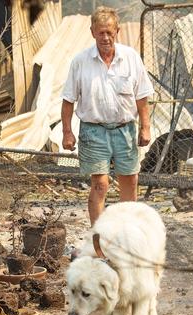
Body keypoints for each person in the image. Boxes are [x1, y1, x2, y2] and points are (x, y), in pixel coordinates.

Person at [61, 6, 154, 225]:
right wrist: (67, 133)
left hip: (125, 129)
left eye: (109, 32)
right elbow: (68, 101)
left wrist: (145, 127)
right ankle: (99, 241)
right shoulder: (80, 62)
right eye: (100, 32)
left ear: (117, 31)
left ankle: (126, 235)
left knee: (130, 181)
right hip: (94, 131)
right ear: (92, 32)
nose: (105, 37)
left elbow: (142, 97)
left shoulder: (131, 57)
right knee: (100, 184)